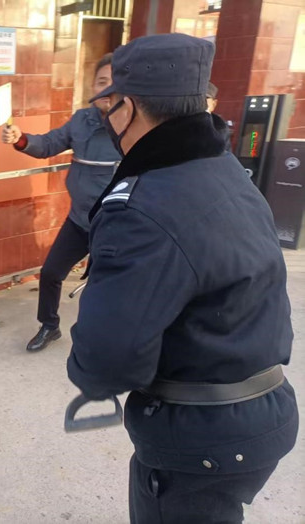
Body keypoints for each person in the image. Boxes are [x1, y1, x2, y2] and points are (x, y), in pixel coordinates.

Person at [66, 34, 298, 523]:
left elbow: (108, 360)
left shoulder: (141, 206)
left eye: (111, 104)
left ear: (128, 108)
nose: (107, 117)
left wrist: (86, 364)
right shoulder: (224, 169)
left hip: (198, 439)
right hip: (263, 412)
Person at [1, 54, 121, 353]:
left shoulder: (133, 125)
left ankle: (107, 342)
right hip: (80, 219)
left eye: (115, 83)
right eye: (102, 82)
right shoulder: (81, 120)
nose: (107, 89)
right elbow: (49, 144)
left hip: (117, 225)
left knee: (107, 288)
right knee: (52, 273)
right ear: (93, 86)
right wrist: (20, 138)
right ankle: (49, 326)